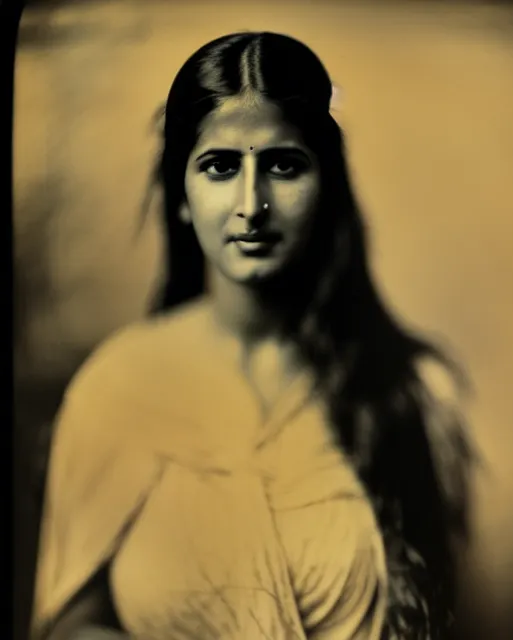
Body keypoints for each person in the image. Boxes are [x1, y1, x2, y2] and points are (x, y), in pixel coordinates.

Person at [30, 32, 474, 640]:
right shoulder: (116, 388)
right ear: (181, 196)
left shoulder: (400, 390)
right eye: (218, 167)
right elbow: (71, 624)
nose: (251, 203)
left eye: (283, 165)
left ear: (327, 186)